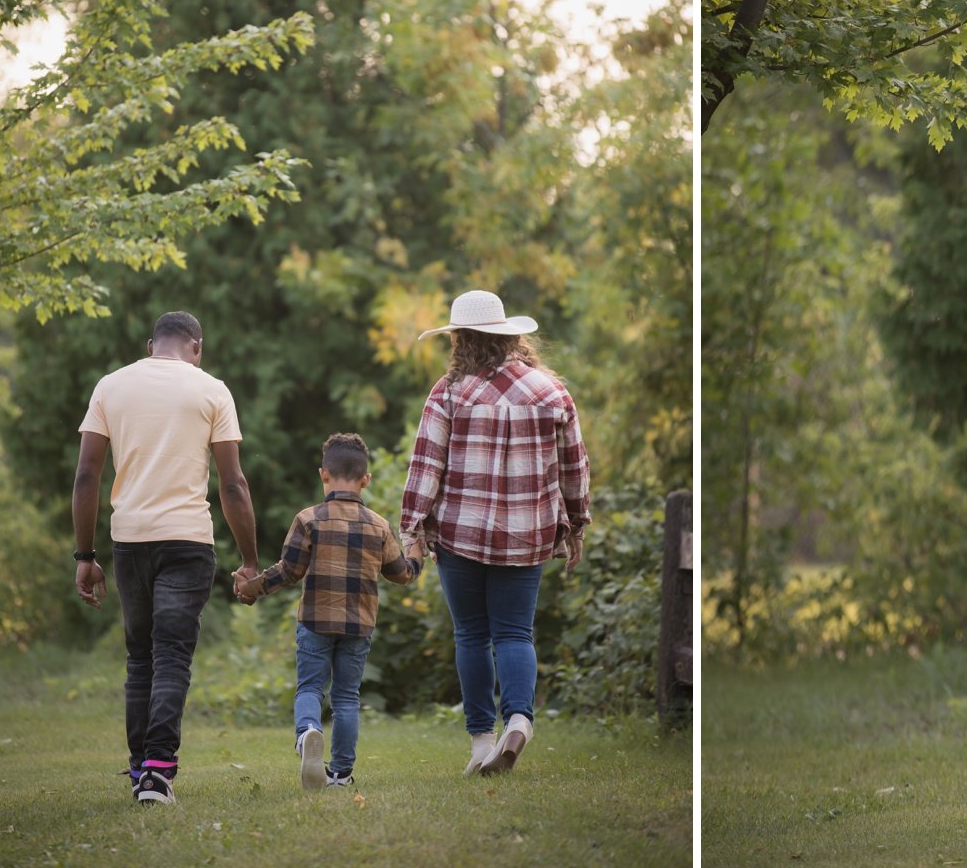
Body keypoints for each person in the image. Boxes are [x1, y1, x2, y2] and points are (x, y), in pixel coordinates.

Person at [71, 310, 263, 806]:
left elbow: (86, 477)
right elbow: (233, 484)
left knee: (140, 659)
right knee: (172, 654)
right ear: (196, 346)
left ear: (151, 343)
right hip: (187, 541)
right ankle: (158, 772)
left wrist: (85, 556)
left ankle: (142, 771)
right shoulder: (211, 389)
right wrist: (249, 561)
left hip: (128, 540)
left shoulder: (110, 386)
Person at [398, 289, 590, 777]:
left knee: (471, 635)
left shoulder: (449, 392)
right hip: (529, 535)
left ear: (460, 339)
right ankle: (520, 719)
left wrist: (412, 527)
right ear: (509, 334)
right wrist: (577, 523)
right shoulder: (550, 391)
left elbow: (426, 466)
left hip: (461, 534)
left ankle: (483, 743)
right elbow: (575, 466)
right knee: (515, 632)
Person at [237, 433, 424, 790]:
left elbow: (288, 571)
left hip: (315, 622)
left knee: (310, 687)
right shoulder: (379, 526)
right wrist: (416, 553)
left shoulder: (309, 520)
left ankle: (308, 731)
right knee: (346, 698)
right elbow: (402, 575)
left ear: (324, 474)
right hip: (359, 626)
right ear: (365, 480)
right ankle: (340, 774)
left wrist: (252, 588)